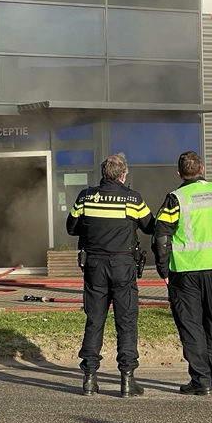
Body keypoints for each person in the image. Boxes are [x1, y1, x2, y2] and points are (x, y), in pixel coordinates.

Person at [152, 151, 212, 396]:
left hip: (185, 271)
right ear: (202, 169)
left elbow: (161, 235)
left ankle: (200, 380)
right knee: (211, 322)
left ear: (179, 173)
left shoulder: (176, 198)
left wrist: (163, 269)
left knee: (191, 325)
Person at [66, 153, 153, 398]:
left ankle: (90, 379)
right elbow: (149, 225)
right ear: (124, 175)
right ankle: (127, 380)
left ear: (103, 174)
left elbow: (71, 228)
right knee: (126, 322)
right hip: (123, 266)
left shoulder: (85, 197)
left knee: (94, 321)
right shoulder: (132, 199)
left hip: (94, 266)